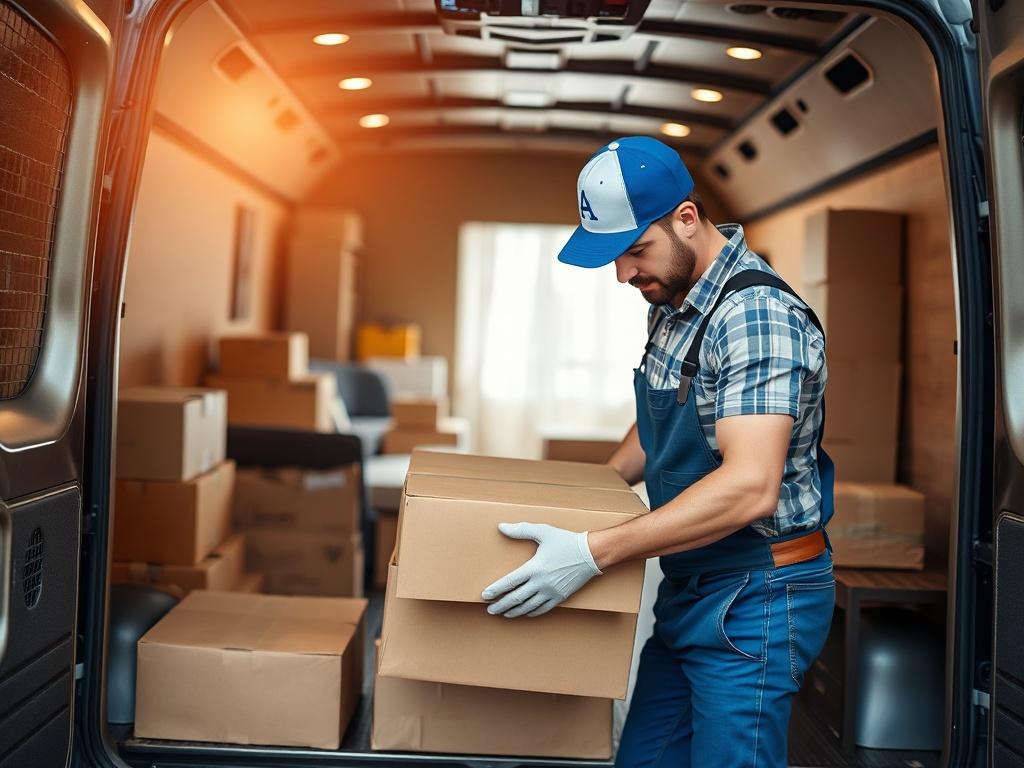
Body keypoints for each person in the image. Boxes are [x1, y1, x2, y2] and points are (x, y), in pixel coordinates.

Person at [481, 136, 836, 768]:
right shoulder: (672, 300)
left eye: (635, 251)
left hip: (757, 592)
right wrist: (579, 495)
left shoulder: (754, 315)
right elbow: (659, 424)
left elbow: (749, 485)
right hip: (692, 583)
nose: (623, 275)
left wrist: (592, 554)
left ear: (688, 219)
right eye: (616, 257)